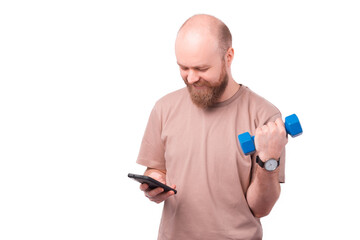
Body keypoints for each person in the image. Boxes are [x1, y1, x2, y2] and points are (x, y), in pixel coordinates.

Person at [136, 14, 288, 240]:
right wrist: (156, 182)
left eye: (201, 68)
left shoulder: (265, 117)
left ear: (229, 57)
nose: (191, 78)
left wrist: (269, 160)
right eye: (183, 68)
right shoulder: (164, 108)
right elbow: (155, 169)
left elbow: (261, 209)